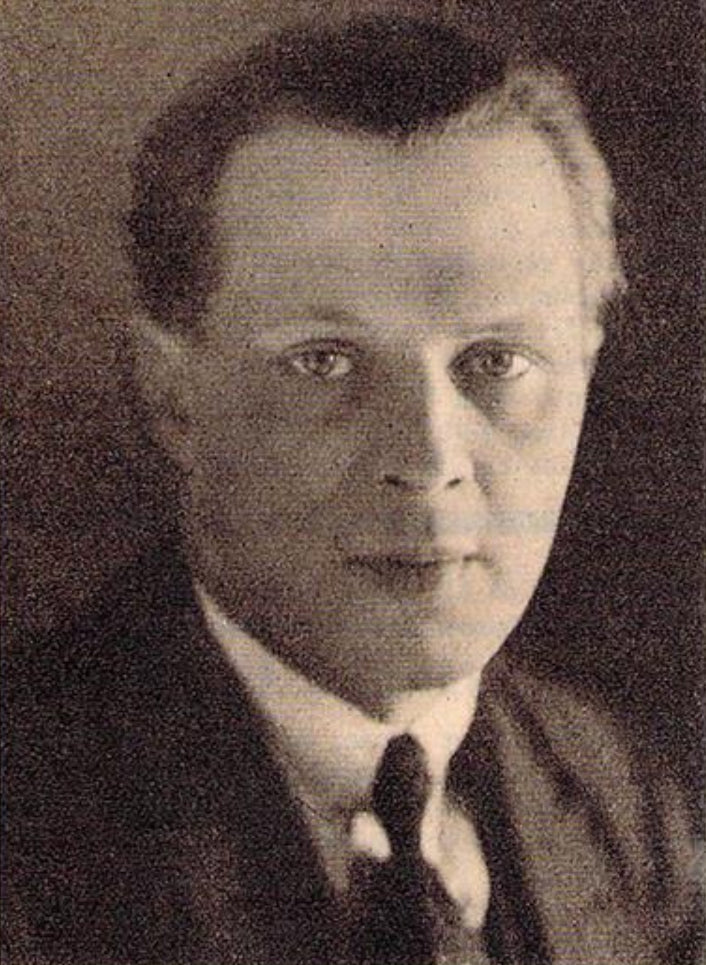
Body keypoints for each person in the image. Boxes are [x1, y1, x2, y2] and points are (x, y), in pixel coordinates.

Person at [1, 11, 702, 965]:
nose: (427, 455)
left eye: (496, 360)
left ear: (583, 369)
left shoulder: (626, 807)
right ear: (173, 399)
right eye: (324, 361)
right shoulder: (33, 818)